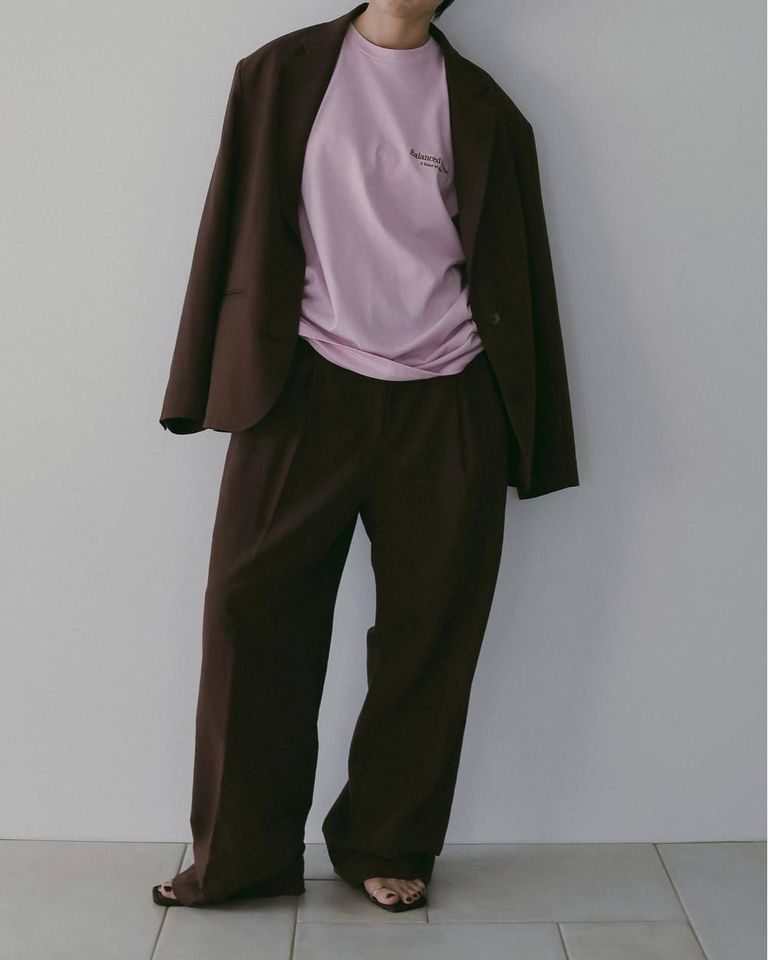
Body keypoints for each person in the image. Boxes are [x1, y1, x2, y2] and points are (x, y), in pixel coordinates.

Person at [154, 0, 579, 912]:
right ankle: (240, 855)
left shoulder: (488, 110)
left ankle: (387, 841)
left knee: (432, 628)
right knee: (251, 610)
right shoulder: (278, 73)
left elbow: (519, 272)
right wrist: (198, 379)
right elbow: (229, 223)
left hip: (450, 390)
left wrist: (531, 427)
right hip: (300, 383)